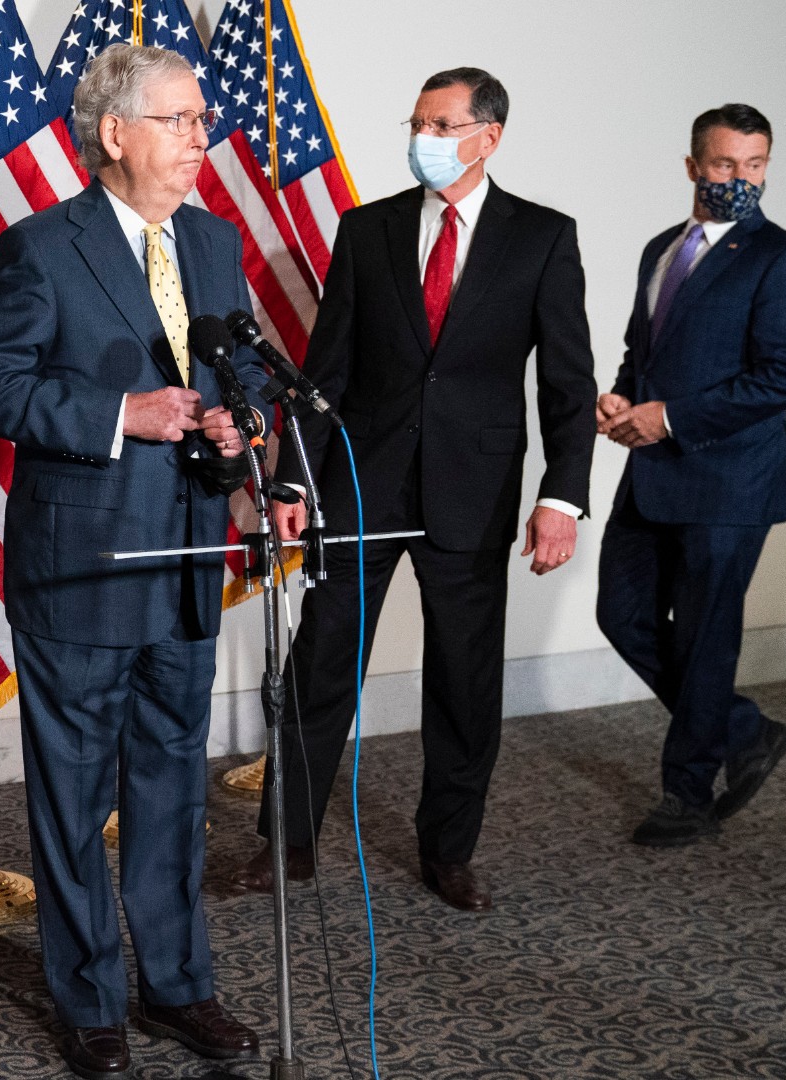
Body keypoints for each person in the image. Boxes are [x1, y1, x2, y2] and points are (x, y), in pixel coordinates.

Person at [0, 43, 272, 1079]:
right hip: (80, 568)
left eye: (201, 120)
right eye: (179, 121)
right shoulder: (42, 248)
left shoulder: (217, 244)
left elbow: (244, 378)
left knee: (175, 793)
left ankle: (179, 987)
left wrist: (243, 430)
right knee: (74, 798)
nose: (199, 140)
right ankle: (88, 1001)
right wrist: (115, 415)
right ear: (116, 134)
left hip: (186, 560)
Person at [243, 67, 597, 912]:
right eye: (417, 122)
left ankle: (448, 850)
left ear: (489, 136)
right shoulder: (368, 229)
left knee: (465, 680)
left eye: (440, 124)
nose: (423, 139)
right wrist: (295, 476)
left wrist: (562, 497)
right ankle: (285, 843)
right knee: (321, 663)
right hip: (362, 484)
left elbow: (569, 384)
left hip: (473, 492)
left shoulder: (542, 237)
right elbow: (325, 370)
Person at [596, 104, 786, 847]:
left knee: (703, 638)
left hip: (732, 481)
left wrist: (674, 417)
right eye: (726, 166)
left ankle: (687, 796)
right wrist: (625, 398)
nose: (740, 180)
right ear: (693, 166)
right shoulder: (663, 248)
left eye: (755, 166)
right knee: (622, 615)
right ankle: (743, 729)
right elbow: (643, 351)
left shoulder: (784, 258)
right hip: (654, 471)